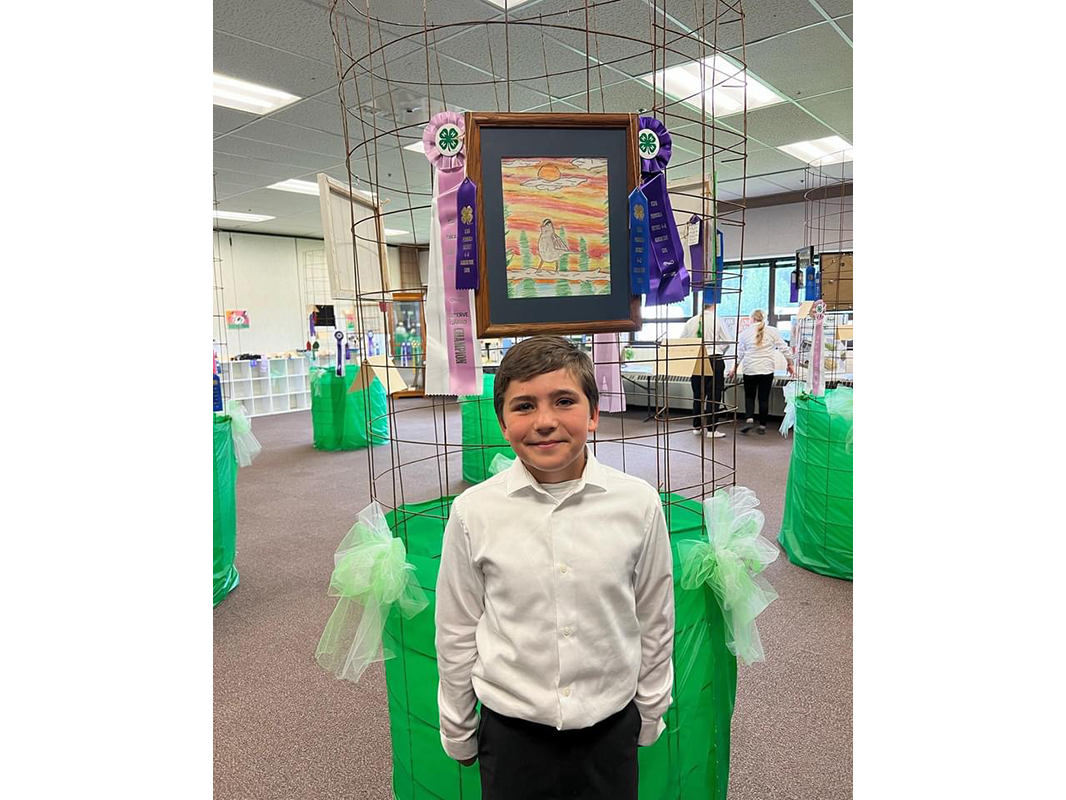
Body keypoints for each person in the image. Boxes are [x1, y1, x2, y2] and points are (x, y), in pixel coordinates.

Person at [435, 336, 675, 800]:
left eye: (564, 401)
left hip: (610, 727)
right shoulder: (473, 513)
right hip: (512, 734)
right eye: (524, 406)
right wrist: (458, 727)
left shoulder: (638, 505)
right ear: (502, 422)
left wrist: (649, 711)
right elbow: (457, 629)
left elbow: (654, 618)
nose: (544, 422)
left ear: (593, 413)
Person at [728, 309, 794, 435]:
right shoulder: (773, 331)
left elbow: (739, 354)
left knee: (749, 396)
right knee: (763, 399)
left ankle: (749, 419)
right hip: (766, 370)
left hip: (750, 370)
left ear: (751, 319)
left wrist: (733, 369)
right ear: (764, 318)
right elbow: (784, 348)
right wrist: (790, 363)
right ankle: (762, 426)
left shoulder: (744, 333)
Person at [680, 300, 732, 438]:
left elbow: (682, 341)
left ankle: (697, 427)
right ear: (714, 305)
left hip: (696, 359)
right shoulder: (717, 320)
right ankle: (711, 429)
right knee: (714, 396)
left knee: (698, 395)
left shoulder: (691, 321)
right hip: (714, 358)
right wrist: (719, 351)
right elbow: (728, 340)